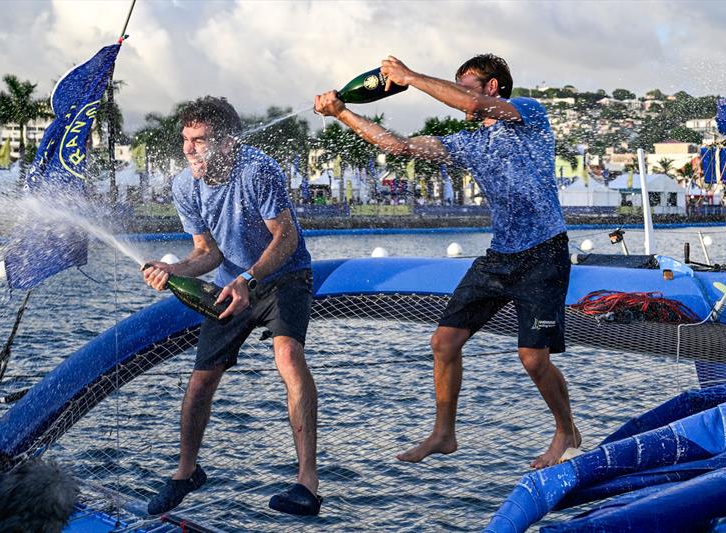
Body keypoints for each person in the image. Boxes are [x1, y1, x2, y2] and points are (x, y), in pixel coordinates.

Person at [315, 54, 579, 468]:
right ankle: (444, 434)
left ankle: (566, 430)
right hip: (501, 255)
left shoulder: (528, 114)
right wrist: (342, 112)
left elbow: (471, 105)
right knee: (444, 342)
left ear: (493, 87)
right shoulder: (469, 144)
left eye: (467, 84)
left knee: (533, 358)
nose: (460, 94)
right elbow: (398, 147)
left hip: (544, 252)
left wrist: (410, 77)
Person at [142, 96, 322, 515]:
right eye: (185, 139)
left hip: (284, 277)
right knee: (201, 380)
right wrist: (173, 270)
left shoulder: (257, 170)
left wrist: (249, 279)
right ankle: (186, 472)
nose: (188, 149)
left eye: (199, 140)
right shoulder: (185, 185)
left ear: (226, 143)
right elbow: (208, 252)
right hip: (231, 283)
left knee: (288, 356)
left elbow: (287, 238)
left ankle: (307, 484)